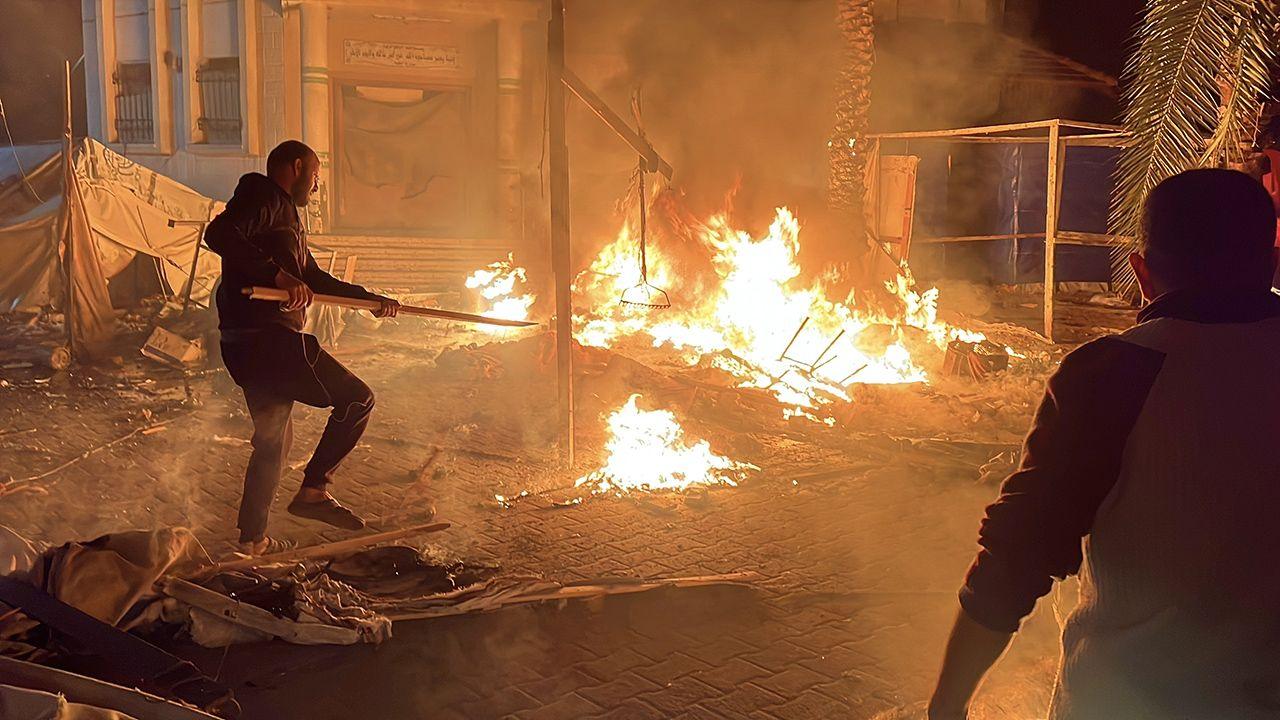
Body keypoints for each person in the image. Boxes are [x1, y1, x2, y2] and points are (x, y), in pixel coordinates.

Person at [929, 169, 1280, 719]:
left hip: (1125, 699)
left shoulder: (1113, 373)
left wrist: (947, 705)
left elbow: (1018, 554)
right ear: (1272, 261)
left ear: (1141, 272)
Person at [205, 140, 400, 555]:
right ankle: (313, 490)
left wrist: (369, 300)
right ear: (296, 167)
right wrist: (277, 276)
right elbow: (219, 233)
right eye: (314, 177)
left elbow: (310, 276)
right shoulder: (262, 194)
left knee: (274, 441)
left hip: (247, 345)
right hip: (268, 339)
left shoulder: (286, 217)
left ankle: (252, 541)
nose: (315, 188)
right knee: (357, 399)